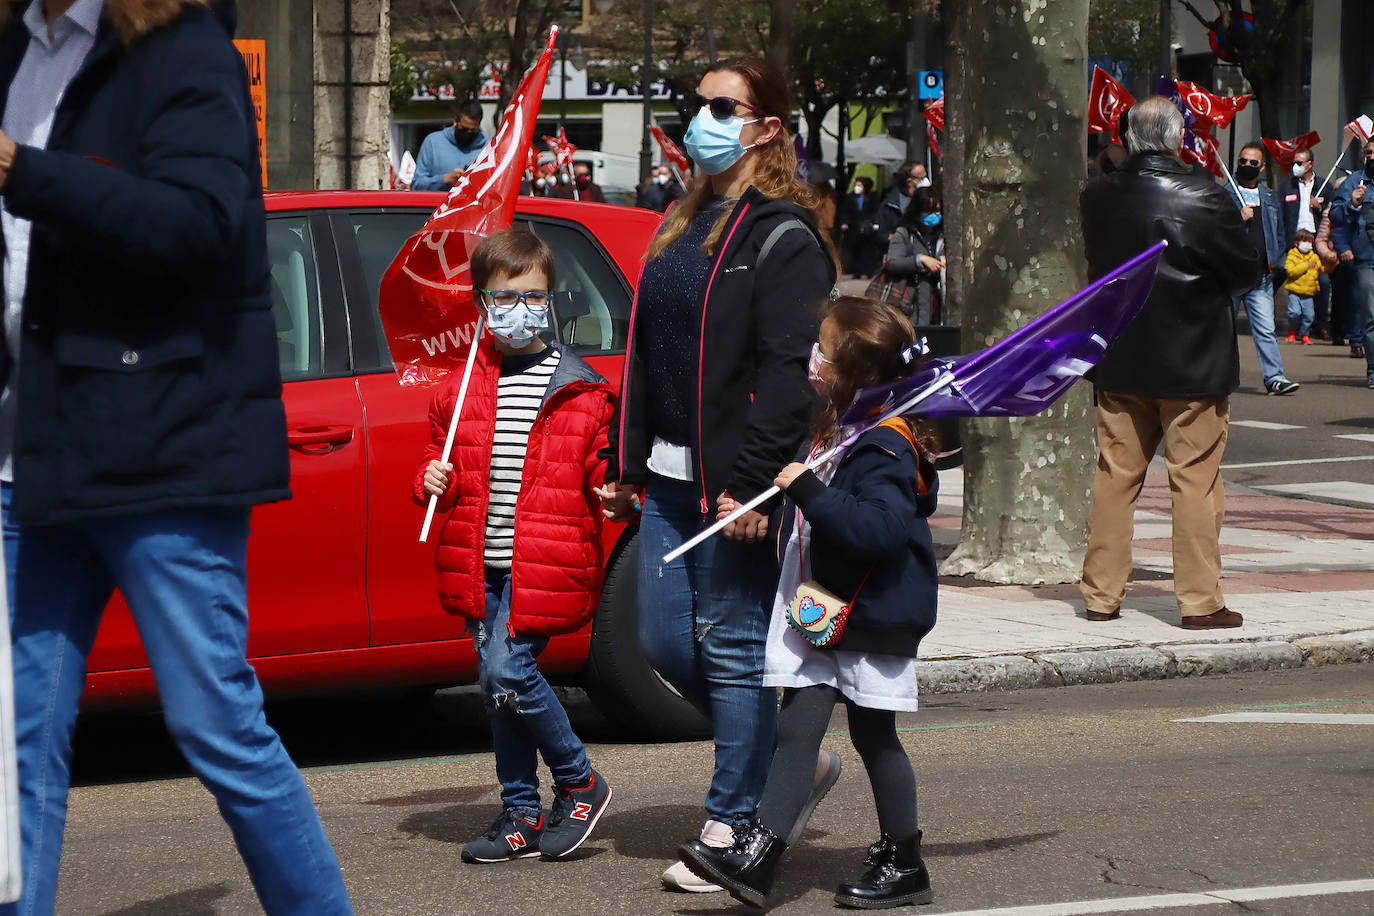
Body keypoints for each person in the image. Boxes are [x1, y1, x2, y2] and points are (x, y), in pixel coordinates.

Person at [0, 1, 354, 913]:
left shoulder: (182, 48)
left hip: (162, 448)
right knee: (14, 744)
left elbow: (198, 222)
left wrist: (24, 171)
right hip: (36, 449)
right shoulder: (19, 51)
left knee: (217, 727)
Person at [594, 56, 839, 894]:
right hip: (665, 478)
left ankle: (735, 820)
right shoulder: (680, 221)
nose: (701, 118)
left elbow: (787, 374)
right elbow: (649, 355)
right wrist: (628, 464)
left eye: (721, 106)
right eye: (697, 104)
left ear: (766, 126)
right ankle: (785, 768)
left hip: (733, 483)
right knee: (665, 640)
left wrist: (753, 485)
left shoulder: (784, 235)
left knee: (731, 649)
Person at [679, 297, 940, 911]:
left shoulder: (886, 446)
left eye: (822, 349)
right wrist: (774, 504)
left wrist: (808, 489)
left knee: (876, 737)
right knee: (797, 729)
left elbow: (878, 530)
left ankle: (905, 861)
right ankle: (759, 856)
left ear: (851, 372)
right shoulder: (843, 430)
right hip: (824, 609)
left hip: (870, 615)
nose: (811, 357)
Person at [414, 229, 615, 863]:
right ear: (481, 304)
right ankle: (521, 812)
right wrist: (429, 480)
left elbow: (600, 468)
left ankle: (580, 779)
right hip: (485, 565)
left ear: (552, 299)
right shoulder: (462, 388)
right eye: (504, 298)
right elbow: (441, 471)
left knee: (509, 670)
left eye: (533, 296)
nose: (519, 310)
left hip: (543, 565)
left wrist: (614, 491)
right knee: (496, 689)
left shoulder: (582, 389)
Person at [1078, 96, 1263, 631]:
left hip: (1120, 354)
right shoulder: (1205, 195)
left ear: (1127, 137)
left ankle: (1100, 594)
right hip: (1192, 359)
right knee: (1196, 481)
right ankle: (1201, 601)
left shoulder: (1098, 196)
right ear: (1178, 138)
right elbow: (1246, 272)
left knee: (1115, 477)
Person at [1226, 143, 1300, 395]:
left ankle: (1274, 378)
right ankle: (1218, 376)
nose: (1246, 166)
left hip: (1261, 277)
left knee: (1266, 329)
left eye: (1252, 163)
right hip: (1231, 274)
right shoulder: (1225, 194)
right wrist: (1237, 218)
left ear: (1262, 167)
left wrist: (1276, 262)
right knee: (1223, 328)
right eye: (1242, 161)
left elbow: (1279, 233)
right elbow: (1213, 231)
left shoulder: (1270, 197)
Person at [1329, 137, 1374, 386]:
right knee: (1371, 317)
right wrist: (1353, 203)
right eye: (1369, 153)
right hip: (1366, 259)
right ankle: (1373, 371)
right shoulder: (1354, 182)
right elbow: (1335, 216)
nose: (1372, 157)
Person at [1282, 150, 1331, 338]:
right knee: (1290, 279)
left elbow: (1333, 210)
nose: (1296, 166)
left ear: (1310, 164)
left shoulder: (1324, 186)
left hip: (1316, 241)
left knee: (1322, 282)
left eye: (1300, 163)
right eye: (1294, 162)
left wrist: (1320, 207)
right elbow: (1281, 214)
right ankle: (1295, 326)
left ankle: (1319, 324)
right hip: (1294, 242)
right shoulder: (1288, 186)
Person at [882, 187, 945, 325]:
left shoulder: (945, 235)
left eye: (937, 211)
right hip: (910, 303)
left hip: (940, 303)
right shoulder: (904, 233)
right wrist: (919, 260)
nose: (933, 215)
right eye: (928, 211)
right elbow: (892, 263)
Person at [412, 100, 489, 191]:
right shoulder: (433, 142)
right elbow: (416, 185)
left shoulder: (488, 147)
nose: (468, 133)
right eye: (464, 129)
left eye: (473, 130)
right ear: (456, 121)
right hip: (439, 203)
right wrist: (445, 179)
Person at [1282, 229, 1333, 344]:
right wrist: (1305, 266)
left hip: (1309, 292)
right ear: (1296, 243)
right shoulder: (1292, 255)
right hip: (1295, 290)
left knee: (1309, 315)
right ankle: (1292, 331)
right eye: (1305, 242)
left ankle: (1304, 333)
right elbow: (1290, 271)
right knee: (1294, 313)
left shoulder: (1314, 257)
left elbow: (1322, 269)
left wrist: (1332, 263)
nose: (1307, 245)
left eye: (1310, 242)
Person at [841, 176, 882, 278]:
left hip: (867, 228)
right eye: (856, 185)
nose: (857, 187)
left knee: (867, 250)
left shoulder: (872, 198)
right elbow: (846, 212)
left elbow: (875, 212)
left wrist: (875, 223)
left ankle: (868, 271)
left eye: (859, 185)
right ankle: (857, 271)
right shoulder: (851, 197)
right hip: (854, 228)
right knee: (856, 250)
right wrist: (845, 223)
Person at [875, 162, 925, 244]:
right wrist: (897, 239)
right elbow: (881, 234)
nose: (925, 181)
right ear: (909, 182)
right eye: (922, 178)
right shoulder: (889, 205)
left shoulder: (926, 199)